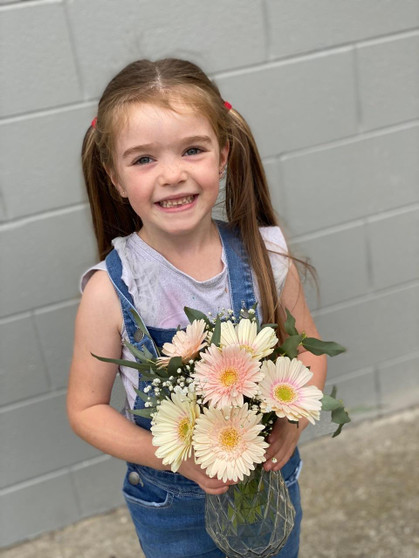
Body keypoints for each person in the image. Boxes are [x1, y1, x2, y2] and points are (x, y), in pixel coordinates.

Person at [67, 58, 327, 558]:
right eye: (143, 159)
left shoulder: (265, 256)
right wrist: (173, 458)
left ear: (223, 156)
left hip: (267, 484)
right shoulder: (113, 289)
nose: (172, 174)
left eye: (192, 149)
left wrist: (293, 419)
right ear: (114, 177)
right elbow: (85, 409)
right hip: (172, 501)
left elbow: (310, 355)